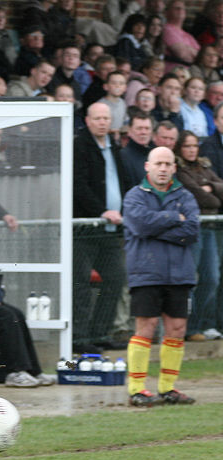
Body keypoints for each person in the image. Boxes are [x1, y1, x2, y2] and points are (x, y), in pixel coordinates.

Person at [123, 146, 199, 406]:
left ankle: (168, 388)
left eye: (168, 164)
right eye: (159, 163)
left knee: (177, 329)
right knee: (146, 328)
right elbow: (139, 225)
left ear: (174, 168)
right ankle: (137, 389)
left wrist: (156, 226)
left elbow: (191, 231)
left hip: (180, 273)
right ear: (148, 166)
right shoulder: (134, 196)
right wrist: (171, 218)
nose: (164, 168)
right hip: (146, 272)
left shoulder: (186, 196)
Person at [73, 102, 130, 353]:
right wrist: (100, 211)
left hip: (111, 229)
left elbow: (122, 182)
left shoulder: (115, 147)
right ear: (87, 120)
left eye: (106, 118)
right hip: (86, 228)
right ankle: (79, 339)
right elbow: (78, 185)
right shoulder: (79, 145)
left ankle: (100, 334)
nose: (103, 122)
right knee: (81, 284)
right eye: (98, 118)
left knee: (116, 278)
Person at [174, 130, 223, 342]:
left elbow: (215, 192)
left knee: (211, 278)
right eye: (187, 146)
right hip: (193, 229)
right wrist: (213, 194)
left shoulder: (204, 166)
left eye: (194, 145)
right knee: (189, 279)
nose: (192, 150)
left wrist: (210, 187)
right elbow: (204, 198)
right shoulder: (180, 171)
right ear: (180, 148)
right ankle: (185, 327)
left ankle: (199, 325)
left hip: (209, 228)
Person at [120, 111, 155, 186]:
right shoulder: (123, 156)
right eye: (139, 128)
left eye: (147, 128)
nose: (143, 132)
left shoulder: (156, 154)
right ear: (129, 131)